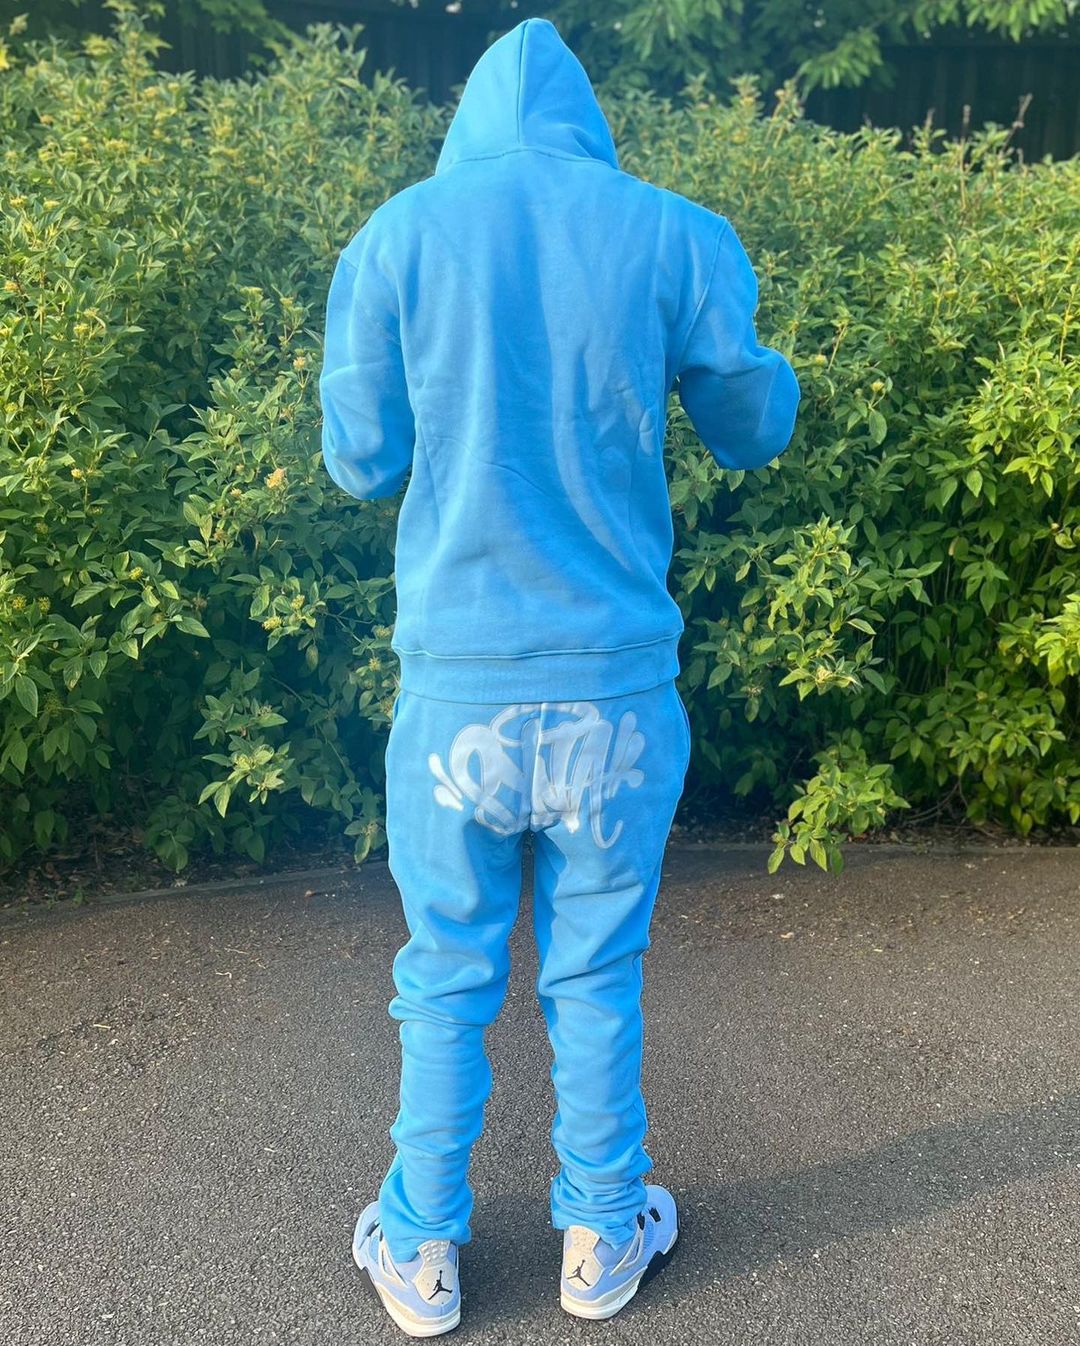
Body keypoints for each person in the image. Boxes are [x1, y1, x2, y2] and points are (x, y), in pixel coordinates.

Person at [319, 16, 799, 1336]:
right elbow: (754, 424)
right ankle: (601, 1229)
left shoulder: (397, 239)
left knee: (444, 973)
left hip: (457, 694)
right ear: (590, 123)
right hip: (615, 692)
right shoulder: (676, 234)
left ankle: (420, 1243)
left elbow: (359, 459)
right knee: (596, 969)